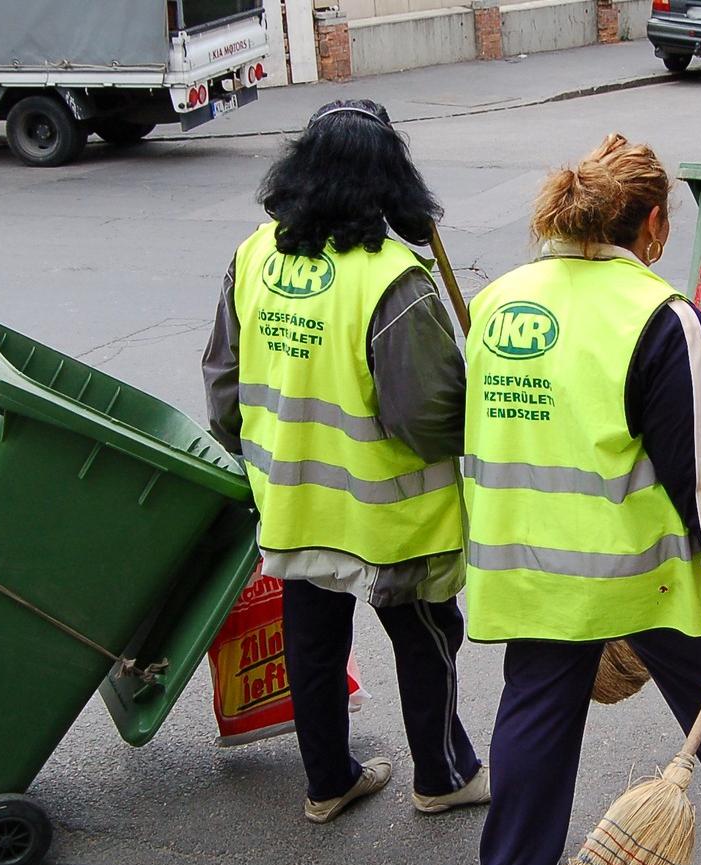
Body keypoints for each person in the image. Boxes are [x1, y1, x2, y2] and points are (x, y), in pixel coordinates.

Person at [465, 135, 701, 865]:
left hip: (523, 563)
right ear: (651, 223)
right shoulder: (661, 317)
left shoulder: (496, 301)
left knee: (534, 713)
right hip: (641, 568)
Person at [202, 99, 487, 826]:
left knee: (314, 642)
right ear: (391, 183)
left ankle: (328, 782)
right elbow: (427, 418)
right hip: (390, 517)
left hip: (294, 504)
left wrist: (258, 454)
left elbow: (224, 386)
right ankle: (443, 776)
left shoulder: (254, 254)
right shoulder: (392, 281)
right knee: (427, 641)